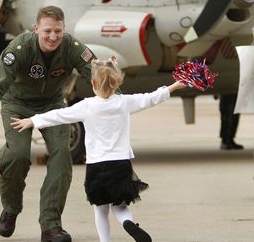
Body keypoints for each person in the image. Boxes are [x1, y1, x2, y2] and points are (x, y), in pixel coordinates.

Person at [10, 57, 187, 242]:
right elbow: (151, 98)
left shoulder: (87, 106)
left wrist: (33, 120)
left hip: (97, 166)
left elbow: (59, 115)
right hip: (121, 164)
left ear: (93, 83)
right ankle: (128, 223)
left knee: (100, 209)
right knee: (120, 207)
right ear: (117, 81)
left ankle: (105, 241)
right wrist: (173, 86)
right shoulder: (125, 102)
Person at [0, 6, 93, 242]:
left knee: (62, 155)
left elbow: (97, 74)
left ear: (63, 29)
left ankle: (51, 226)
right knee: (18, 154)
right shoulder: (19, 48)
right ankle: (11, 207)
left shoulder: (71, 47)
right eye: (47, 31)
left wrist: (116, 101)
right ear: (36, 28)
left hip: (53, 104)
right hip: (18, 104)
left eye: (58, 31)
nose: (53, 37)